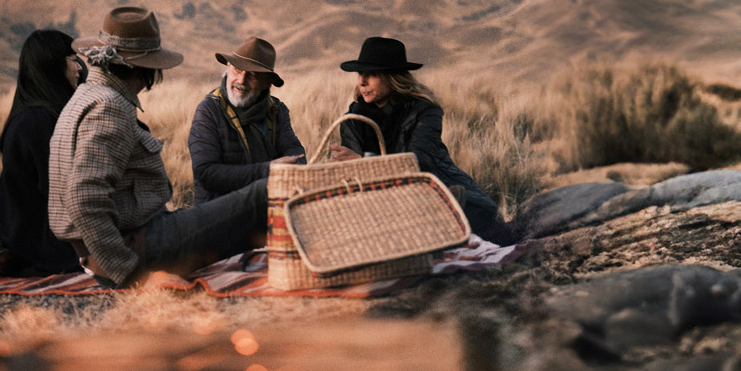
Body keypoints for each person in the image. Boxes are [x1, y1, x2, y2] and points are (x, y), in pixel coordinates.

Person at [48, 7, 268, 288]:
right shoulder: (109, 107)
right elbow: (84, 198)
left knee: (230, 208)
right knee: (262, 195)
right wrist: (134, 277)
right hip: (136, 247)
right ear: (142, 68)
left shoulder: (86, 95)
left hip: (118, 245)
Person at [329, 37, 518, 246]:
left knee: (472, 224)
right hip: (386, 202)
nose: (362, 82)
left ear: (393, 77)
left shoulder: (425, 110)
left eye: (371, 74)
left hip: (440, 190)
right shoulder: (353, 118)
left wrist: (364, 161)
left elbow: (419, 164)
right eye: (360, 74)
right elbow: (352, 174)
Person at [0, 30, 84, 278]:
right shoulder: (38, 121)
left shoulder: (32, 115)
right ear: (51, 66)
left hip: (28, 237)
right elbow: (60, 193)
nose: (79, 68)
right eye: (72, 59)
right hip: (44, 244)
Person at [189, 36, 305, 203]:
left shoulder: (277, 110)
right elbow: (206, 173)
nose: (241, 80)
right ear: (228, 69)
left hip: (267, 206)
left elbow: (296, 153)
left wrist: (296, 166)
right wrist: (268, 170)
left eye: (252, 75)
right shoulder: (209, 111)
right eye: (237, 70)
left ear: (267, 83)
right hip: (218, 212)